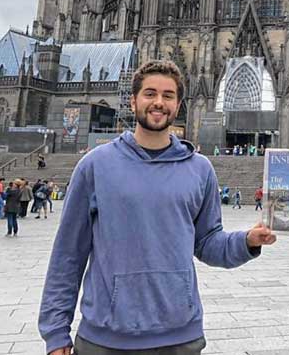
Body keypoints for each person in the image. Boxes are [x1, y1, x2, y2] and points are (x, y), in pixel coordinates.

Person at [39, 59, 276, 355]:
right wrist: (56, 331)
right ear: (133, 100)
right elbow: (68, 254)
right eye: (150, 94)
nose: (158, 103)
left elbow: (207, 242)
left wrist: (246, 242)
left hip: (180, 338)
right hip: (104, 340)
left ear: (178, 105)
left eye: (168, 96)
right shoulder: (95, 166)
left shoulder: (200, 169)